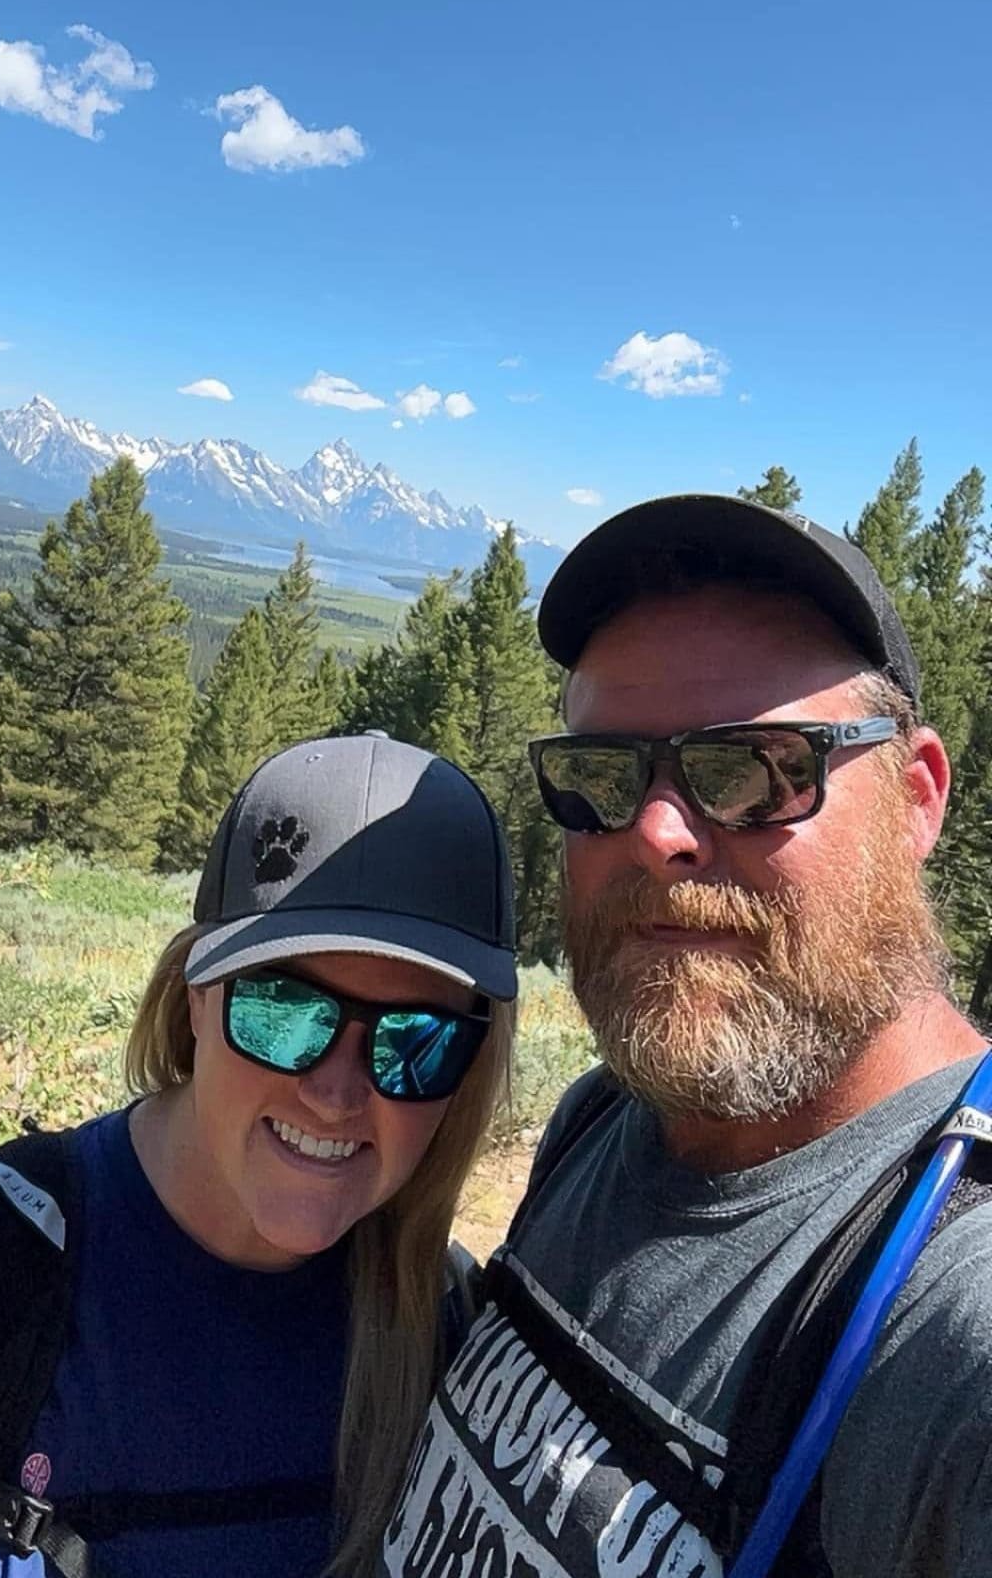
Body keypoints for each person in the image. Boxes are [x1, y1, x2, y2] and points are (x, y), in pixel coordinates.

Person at [381, 496, 992, 1578]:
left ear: (917, 798)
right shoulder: (607, 1120)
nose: (657, 831)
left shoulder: (951, 1320)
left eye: (755, 768)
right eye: (605, 776)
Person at [0, 732, 518, 1578]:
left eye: (416, 1042)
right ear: (195, 994)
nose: (339, 1094)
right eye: (283, 1010)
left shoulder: (449, 1348)